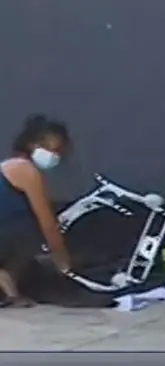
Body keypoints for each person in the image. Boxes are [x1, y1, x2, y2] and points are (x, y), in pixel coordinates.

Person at [0, 114, 73, 306]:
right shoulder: (25, 170)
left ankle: (8, 283)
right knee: (31, 229)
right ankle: (8, 284)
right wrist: (62, 259)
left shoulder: (12, 167)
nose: (54, 155)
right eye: (50, 149)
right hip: (8, 234)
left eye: (58, 151)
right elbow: (46, 220)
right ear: (32, 145)